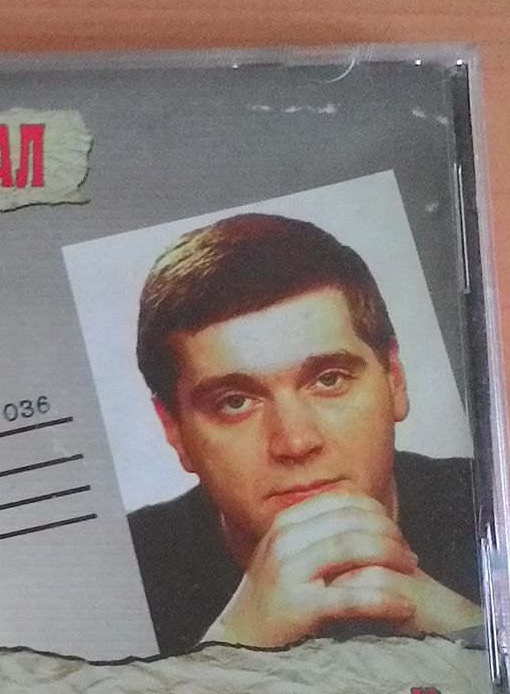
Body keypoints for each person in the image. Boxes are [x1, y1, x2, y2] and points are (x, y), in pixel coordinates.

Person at [128, 212, 483, 655]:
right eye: (234, 402)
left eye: (329, 379)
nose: (296, 443)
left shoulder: (499, 502)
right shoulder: (118, 570)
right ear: (174, 430)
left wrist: (476, 630)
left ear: (394, 380)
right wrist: (227, 650)